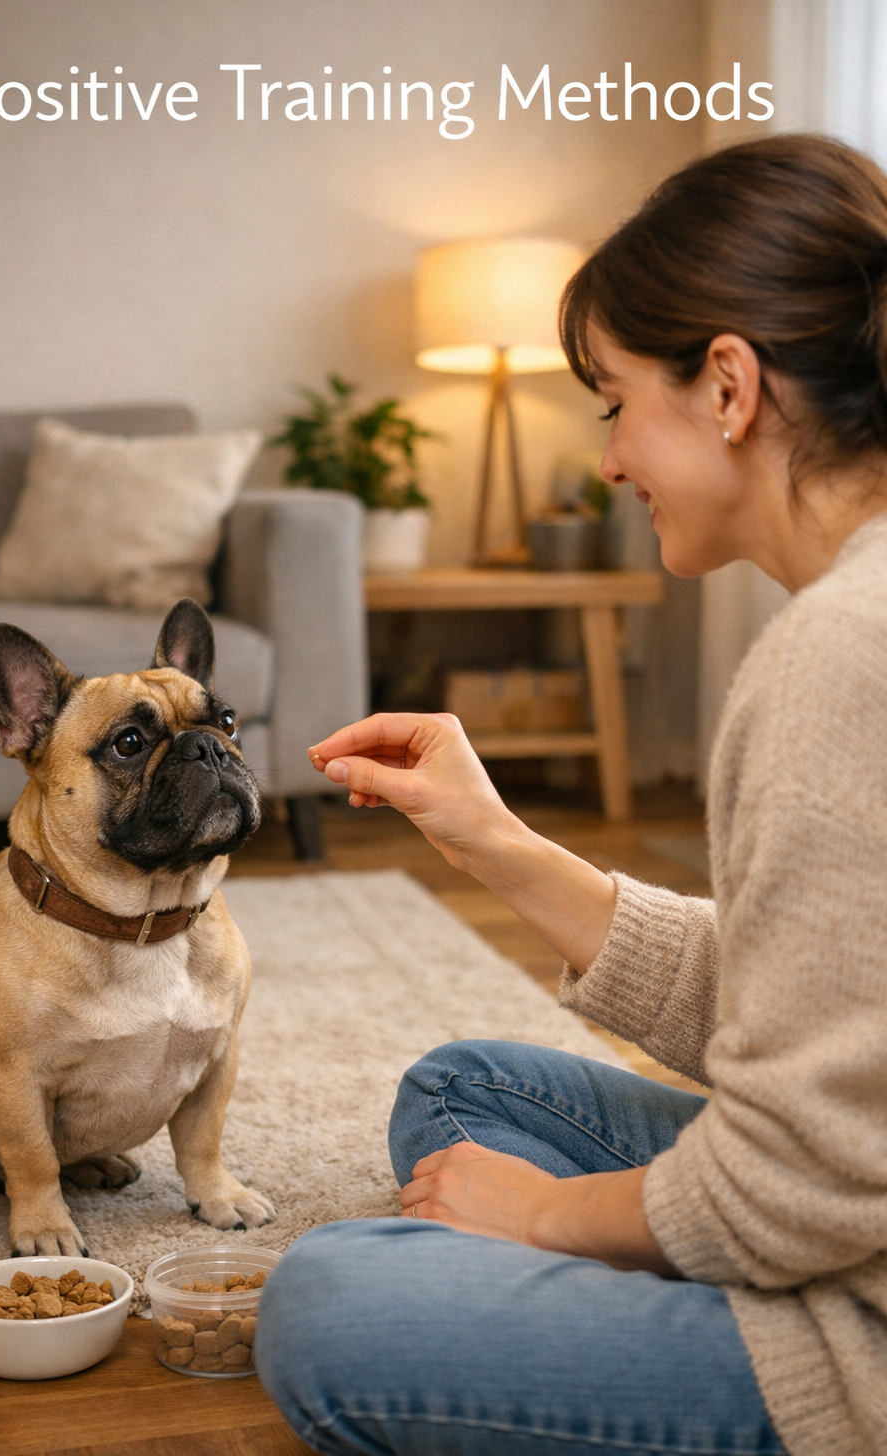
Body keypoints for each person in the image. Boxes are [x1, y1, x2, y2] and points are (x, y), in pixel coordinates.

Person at [254, 135, 887, 1456]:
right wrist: (496, 842)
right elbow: (822, 1003)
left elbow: (801, 1175)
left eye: (611, 401)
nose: (606, 459)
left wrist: (544, 1219)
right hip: (853, 1201)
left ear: (727, 386)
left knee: (331, 1302)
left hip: (860, 1335)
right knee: (466, 1087)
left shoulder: (843, 654)